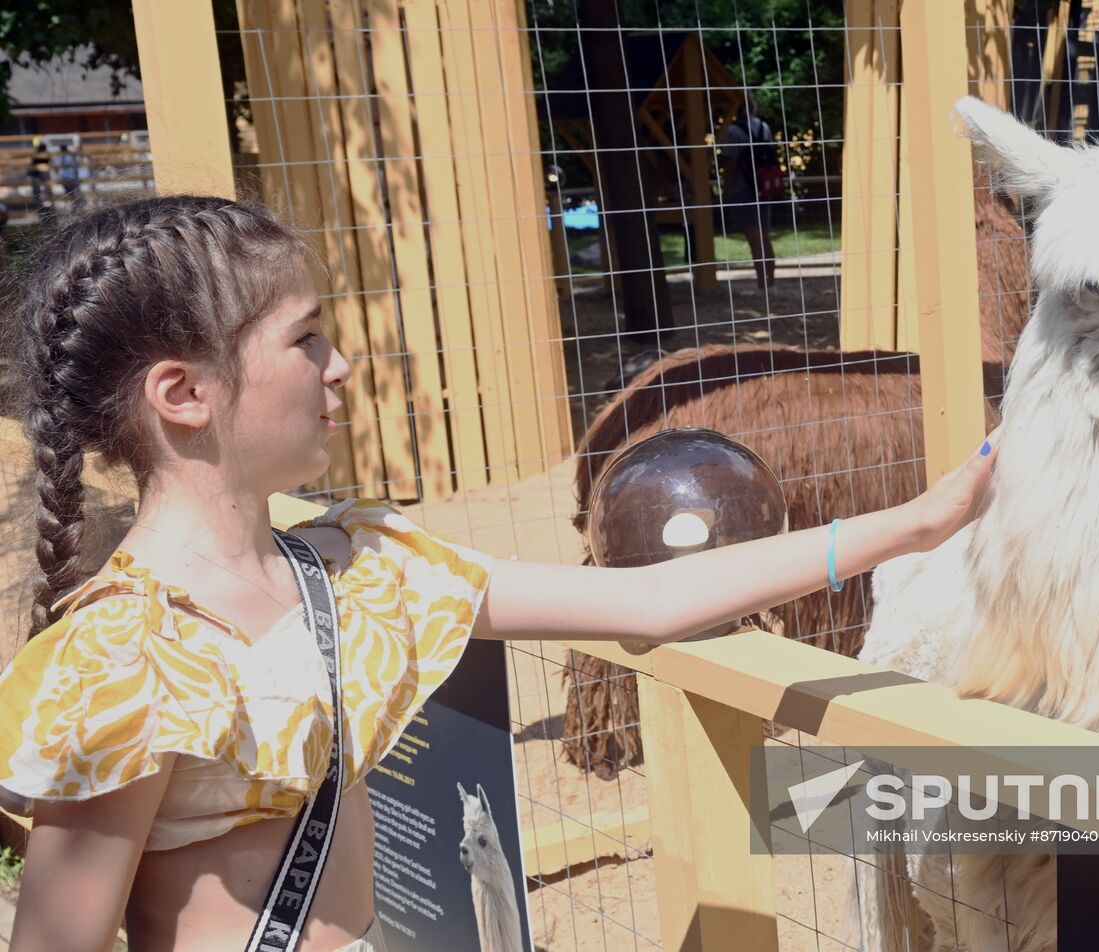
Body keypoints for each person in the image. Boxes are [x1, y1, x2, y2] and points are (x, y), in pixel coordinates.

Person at [0, 196, 999, 952]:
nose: (340, 364)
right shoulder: (123, 664)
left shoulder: (362, 569)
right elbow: (58, 938)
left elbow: (645, 599)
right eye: (306, 338)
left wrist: (911, 525)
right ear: (182, 393)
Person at [721, 95, 779, 290]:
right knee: (763, 237)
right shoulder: (764, 127)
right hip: (764, 188)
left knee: (755, 240)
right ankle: (769, 283)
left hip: (742, 190)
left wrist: (725, 192)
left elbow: (731, 165)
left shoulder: (733, 131)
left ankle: (763, 286)